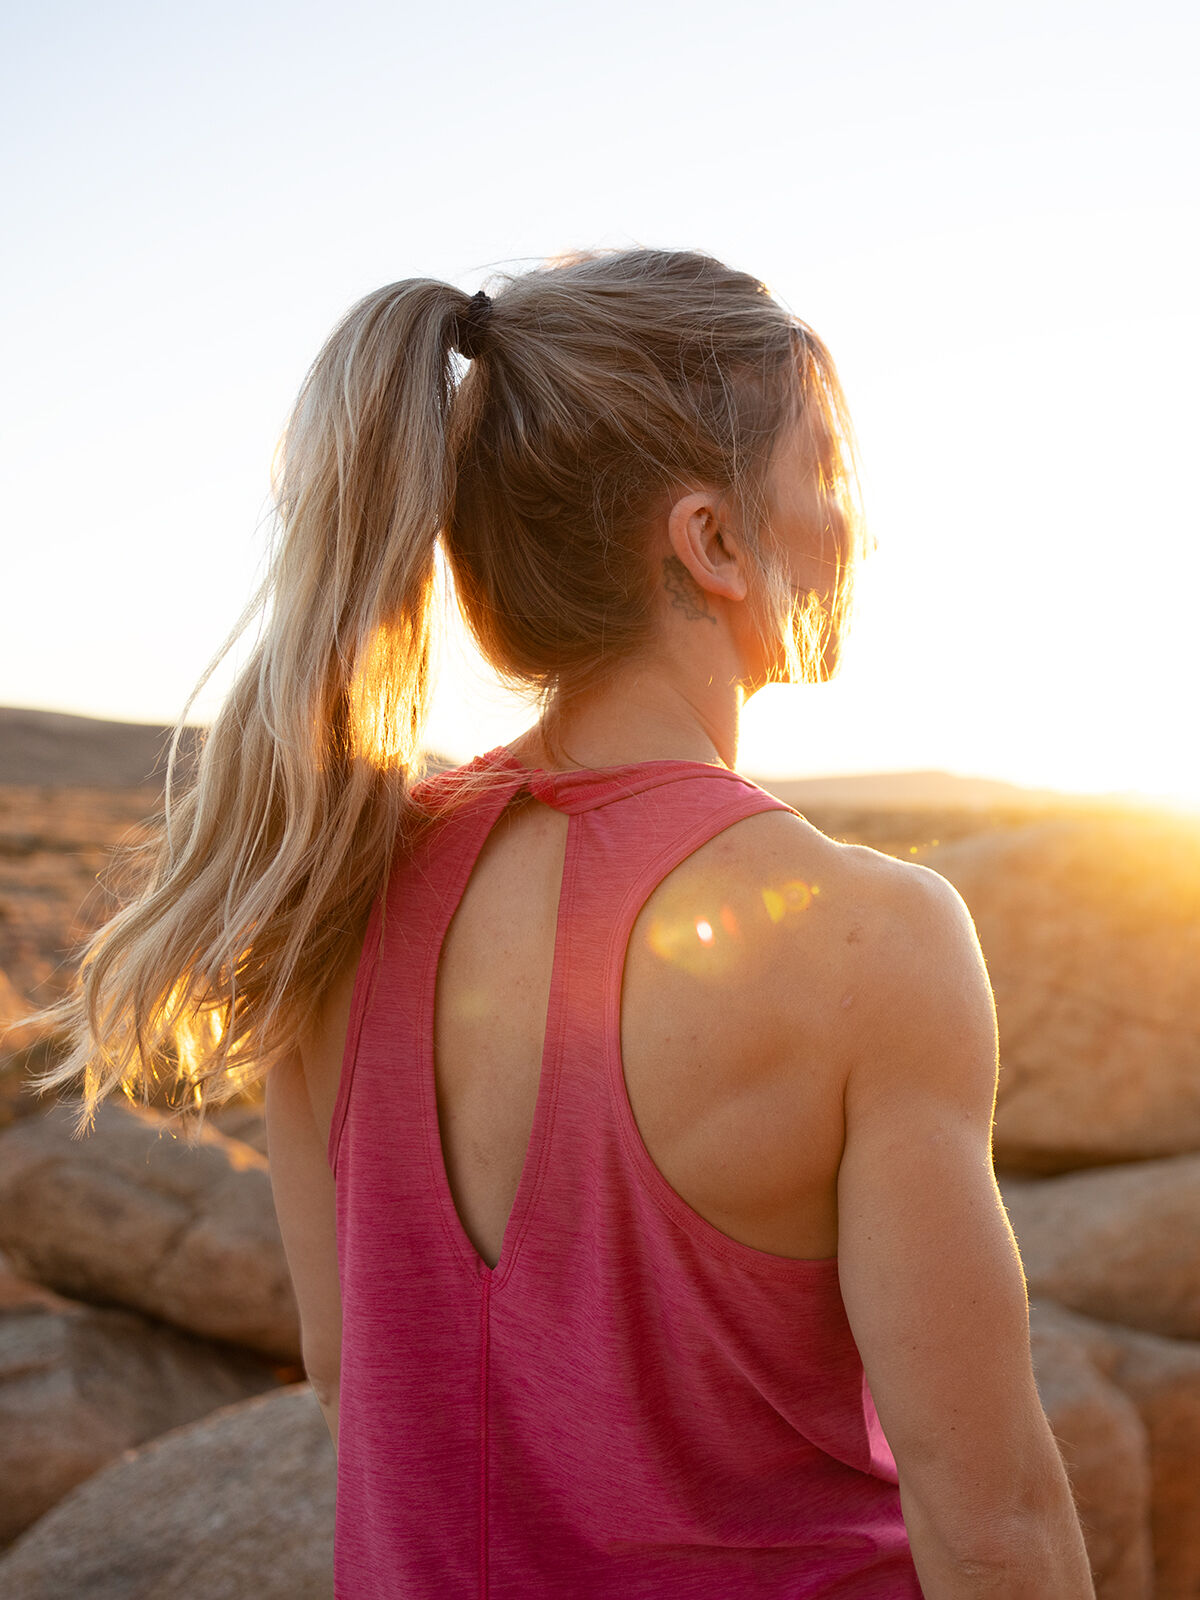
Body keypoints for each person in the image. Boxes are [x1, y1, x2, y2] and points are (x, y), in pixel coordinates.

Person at [31, 247, 1095, 1597]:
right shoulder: (866, 934)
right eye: (822, 470)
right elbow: (991, 1515)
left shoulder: (327, 879)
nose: (856, 526)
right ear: (710, 541)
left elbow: (353, 1374)